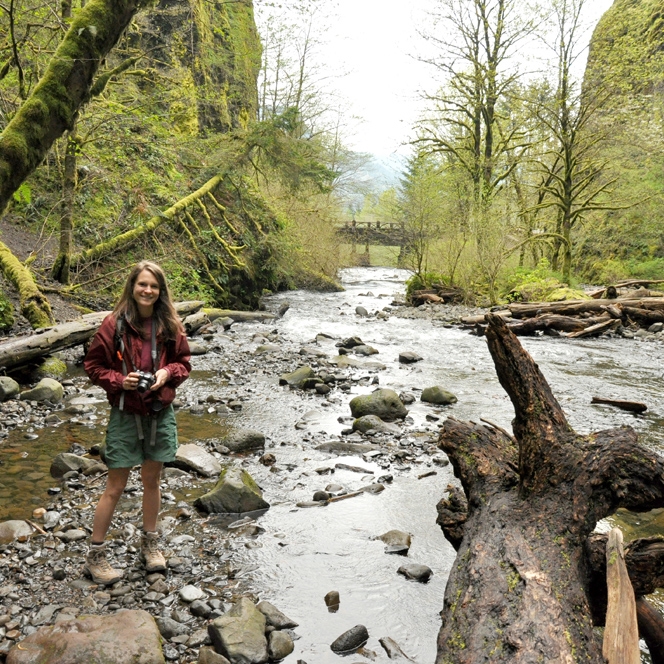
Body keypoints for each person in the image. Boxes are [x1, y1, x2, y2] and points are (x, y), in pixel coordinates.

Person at [82, 261, 191, 585]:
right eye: (142, 284)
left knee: (152, 481)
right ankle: (96, 555)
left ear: (161, 291)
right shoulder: (113, 324)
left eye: (153, 286)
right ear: (132, 287)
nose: (147, 290)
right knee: (114, 486)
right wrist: (120, 381)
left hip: (159, 411)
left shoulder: (170, 324)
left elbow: (183, 363)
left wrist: (165, 373)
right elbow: (93, 366)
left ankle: (150, 544)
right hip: (125, 412)